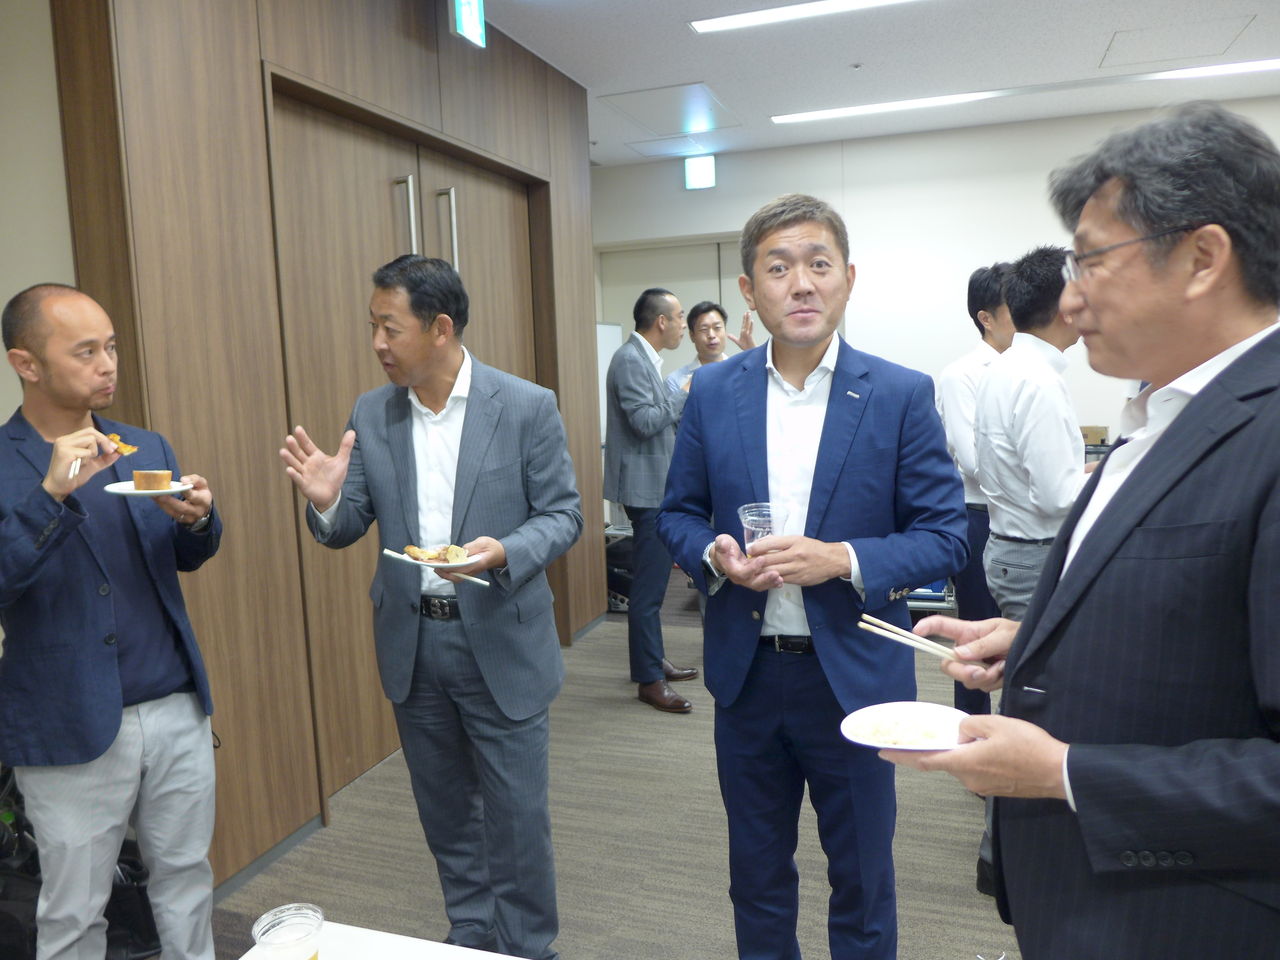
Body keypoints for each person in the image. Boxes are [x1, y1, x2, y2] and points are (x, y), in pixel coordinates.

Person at [884, 102, 1280, 959]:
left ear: (1203, 258)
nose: (1068, 297)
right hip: (1090, 900)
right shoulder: (1160, 412)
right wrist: (1040, 644)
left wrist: (1063, 772)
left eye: (1091, 260)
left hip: (1191, 919)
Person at [657, 194, 968, 959]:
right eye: (779, 267)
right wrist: (715, 557)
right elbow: (678, 513)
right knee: (756, 878)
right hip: (748, 677)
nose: (801, 283)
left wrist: (844, 560)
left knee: (862, 882)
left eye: (818, 264)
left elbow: (946, 536)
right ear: (748, 289)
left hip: (855, 679)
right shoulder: (713, 393)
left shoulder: (899, 393)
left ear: (848, 278)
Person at [279, 255, 582, 960]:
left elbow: (563, 514)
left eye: (391, 328)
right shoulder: (372, 413)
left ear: (440, 328)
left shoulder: (525, 406)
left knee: (516, 815)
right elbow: (348, 523)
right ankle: (470, 932)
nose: (377, 344)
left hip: (500, 637)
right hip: (415, 643)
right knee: (444, 808)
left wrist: (503, 551)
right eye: (373, 327)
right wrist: (326, 503)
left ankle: (528, 945)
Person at [0, 283, 221, 960]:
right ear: (26, 363)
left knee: (186, 881)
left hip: (175, 705)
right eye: (86, 351)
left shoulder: (143, 445)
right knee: (74, 911)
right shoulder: (5, 464)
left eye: (112, 347)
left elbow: (181, 555)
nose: (108, 365)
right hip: (68, 721)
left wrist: (199, 520)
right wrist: (50, 496)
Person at [974, 245, 1088, 621]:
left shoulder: (1004, 366)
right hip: (1034, 554)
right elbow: (1056, 498)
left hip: (1010, 548)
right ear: (1065, 310)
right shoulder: (1040, 381)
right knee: (1042, 659)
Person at [603, 288, 699, 713]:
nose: (682, 326)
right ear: (661, 321)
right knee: (649, 590)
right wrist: (686, 391)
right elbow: (645, 422)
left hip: (654, 486)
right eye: (679, 317)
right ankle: (648, 680)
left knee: (653, 586)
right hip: (646, 491)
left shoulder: (644, 359)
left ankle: (652, 660)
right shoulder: (630, 359)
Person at [934, 262, 1013, 717]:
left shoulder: (1029, 369)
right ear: (986, 317)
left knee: (1024, 635)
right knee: (976, 636)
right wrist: (1038, 480)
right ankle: (971, 729)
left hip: (1024, 520)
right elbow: (972, 461)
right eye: (1013, 305)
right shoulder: (962, 374)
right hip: (979, 516)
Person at [665, 301, 756, 392]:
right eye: (704, 329)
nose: (711, 335)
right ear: (692, 335)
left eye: (717, 328)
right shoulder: (675, 380)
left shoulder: (743, 371)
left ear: (725, 330)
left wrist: (755, 354)